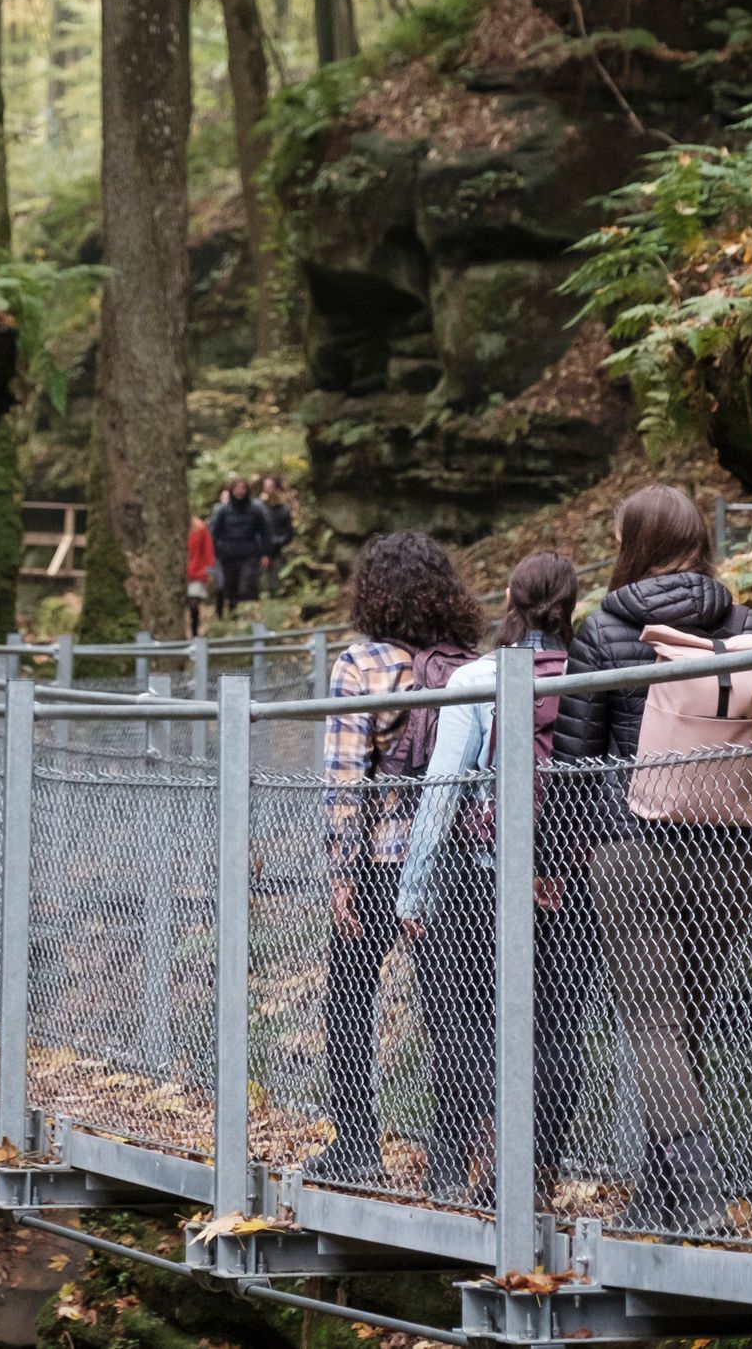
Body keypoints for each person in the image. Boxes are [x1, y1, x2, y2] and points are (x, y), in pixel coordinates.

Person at [550, 485, 752, 1233]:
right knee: (682, 1025)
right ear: (700, 539)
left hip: (628, 850)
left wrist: (552, 857)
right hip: (730, 851)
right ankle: (656, 1198)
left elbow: (573, 760)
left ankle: (699, 1201)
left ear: (633, 540)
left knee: (656, 1028)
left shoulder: (603, 631)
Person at [394, 551, 587, 1201]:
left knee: (474, 1019)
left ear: (508, 597)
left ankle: (475, 1165)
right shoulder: (595, 677)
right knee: (559, 1023)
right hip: (574, 877)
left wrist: (414, 887)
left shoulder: (476, 678)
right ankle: (532, 1177)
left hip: (486, 879)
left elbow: (443, 788)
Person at [309, 531, 485, 1184]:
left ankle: (357, 1147)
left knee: (351, 999)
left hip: (380, 862)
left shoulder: (361, 666)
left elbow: (345, 778)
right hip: (455, 861)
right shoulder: (468, 664)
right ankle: (447, 1169)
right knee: (453, 1011)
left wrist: (341, 871)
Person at [206, 478, 271, 616]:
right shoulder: (222, 510)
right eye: (237, 488)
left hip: (249, 554)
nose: (240, 492)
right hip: (227, 555)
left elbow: (265, 531)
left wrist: (266, 553)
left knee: (247, 585)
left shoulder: (255, 509)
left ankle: (248, 616)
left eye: (243, 488)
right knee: (229, 587)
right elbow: (213, 532)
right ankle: (232, 615)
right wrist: (216, 551)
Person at [258, 474, 296, 595]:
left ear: (276, 489)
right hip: (258, 552)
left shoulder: (283, 509)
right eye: (266, 487)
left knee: (277, 586)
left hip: (277, 552)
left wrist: (277, 542)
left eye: (270, 487)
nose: (268, 489)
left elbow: (289, 533)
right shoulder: (258, 508)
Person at [185, 517, 215, 637]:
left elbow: (208, 550)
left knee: (193, 603)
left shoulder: (200, 528)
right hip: (182, 573)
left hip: (196, 572)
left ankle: (195, 633)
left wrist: (209, 570)